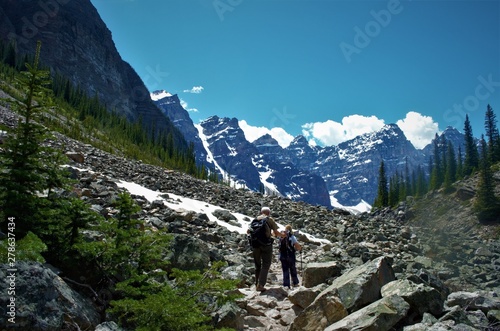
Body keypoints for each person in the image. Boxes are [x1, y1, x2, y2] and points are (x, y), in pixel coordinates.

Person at [249, 206, 283, 291]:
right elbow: (276, 232)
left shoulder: (255, 220)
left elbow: (248, 231)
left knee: (257, 265)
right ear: (269, 213)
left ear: (261, 212)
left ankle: (257, 283)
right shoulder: (269, 220)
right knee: (266, 264)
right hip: (266, 245)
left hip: (255, 245)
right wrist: (283, 236)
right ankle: (260, 285)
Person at [279, 224, 302, 289]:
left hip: (282, 255)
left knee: (285, 269)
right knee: (292, 268)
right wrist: (300, 248)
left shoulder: (281, 236)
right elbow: (297, 245)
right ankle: (295, 282)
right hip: (290, 255)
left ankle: (286, 284)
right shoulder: (292, 237)